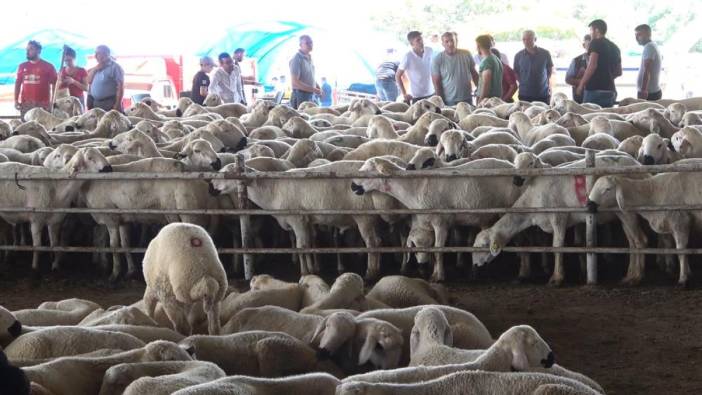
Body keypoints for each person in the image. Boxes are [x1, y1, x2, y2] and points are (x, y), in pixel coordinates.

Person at [576, 19, 622, 108]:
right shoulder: (615, 47)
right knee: (605, 119)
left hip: (594, 90)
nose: (590, 33)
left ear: (596, 30)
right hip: (610, 90)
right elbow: (619, 72)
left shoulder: (595, 42)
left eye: (591, 30)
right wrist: (606, 78)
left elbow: (592, 65)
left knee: (589, 119)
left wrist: (581, 85)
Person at [431, 32, 479, 106]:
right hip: (449, 101)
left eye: (452, 40)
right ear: (443, 44)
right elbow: (436, 83)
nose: (450, 44)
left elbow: (474, 73)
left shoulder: (466, 54)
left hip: (467, 98)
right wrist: (441, 102)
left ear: (456, 41)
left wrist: (479, 89)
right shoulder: (437, 59)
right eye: (446, 41)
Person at [14, 40, 57, 120]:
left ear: (38, 50)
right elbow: (18, 83)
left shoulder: (48, 66)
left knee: (42, 127)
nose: (27, 52)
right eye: (26, 49)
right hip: (26, 104)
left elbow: (55, 84)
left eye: (31, 49)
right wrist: (16, 100)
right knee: (26, 128)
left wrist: (53, 101)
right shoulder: (22, 66)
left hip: (43, 105)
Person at [513, 30, 554, 104]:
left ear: (535, 39)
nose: (526, 41)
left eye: (529, 39)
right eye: (524, 39)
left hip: (542, 94)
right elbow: (516, 73)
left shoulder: (545, 54)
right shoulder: (518, 56)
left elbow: (549, 70)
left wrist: (541, 82)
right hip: (525, 95)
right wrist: (524, 82)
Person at [396, 31, 434, 104]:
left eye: (421, 39)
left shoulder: (429, 50)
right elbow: (398, 76)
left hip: (431, 93)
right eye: (418, 40)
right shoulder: (408, 56)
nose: (421, 42)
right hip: (417, 96)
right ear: (411, 44)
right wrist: (404, 94)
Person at [86, 45, 124, 112]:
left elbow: (120, 87)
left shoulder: (115, 67)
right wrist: (95, 69)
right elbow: (89, 81)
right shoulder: (95, 67)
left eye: (98, 53)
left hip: (109, 103)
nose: (95, 56)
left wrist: (118, 104)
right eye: (96, 53)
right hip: (95, 102)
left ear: (106, 54)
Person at [289, 35, 320, 109]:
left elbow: (309, 76)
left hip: (310, 95)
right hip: (300, 95)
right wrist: (314, 89)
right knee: (302, 118)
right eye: (307, 43)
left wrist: (317, 86)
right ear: (300, 45)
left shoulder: (310, 58)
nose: (310, 45)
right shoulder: (297, 58)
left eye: (311, 42)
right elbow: (295, 82)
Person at [635, 24, 662, 101]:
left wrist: (643, 90)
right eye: (636, 35)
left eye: (639, 35)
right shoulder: (652, 45)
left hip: (649, 93)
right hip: (650, 92)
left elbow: (647, 70)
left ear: (648, 34)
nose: (636, 38)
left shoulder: (649, 47)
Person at [475, 35, 503, 104]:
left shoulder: (487, 61)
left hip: (487, 101)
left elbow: (486, 83)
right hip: (496, 99)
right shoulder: (496, 58)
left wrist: (480, 100)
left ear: (478, 46)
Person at [565, 35, 592, 103]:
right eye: (589, 45)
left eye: (594, 45)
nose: (593, 48)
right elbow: (567, 79)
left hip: (596, 98)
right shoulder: (576, 61)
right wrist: (583, 81)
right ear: (584, 45)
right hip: (580, 98)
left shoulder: (602, 60)